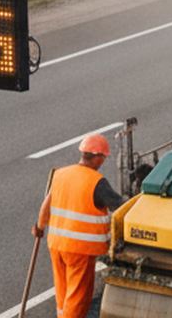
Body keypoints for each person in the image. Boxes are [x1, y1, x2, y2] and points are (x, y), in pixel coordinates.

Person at [33, 134, 126, 318]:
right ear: (97, 157)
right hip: (80, 250)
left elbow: (46, 205)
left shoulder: (61, 174)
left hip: (56, 245)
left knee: (63, 292)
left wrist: (39, 227)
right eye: (103, 157)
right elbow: (120, 206)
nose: (103, 161)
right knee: (77, 297)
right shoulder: (96, 182)